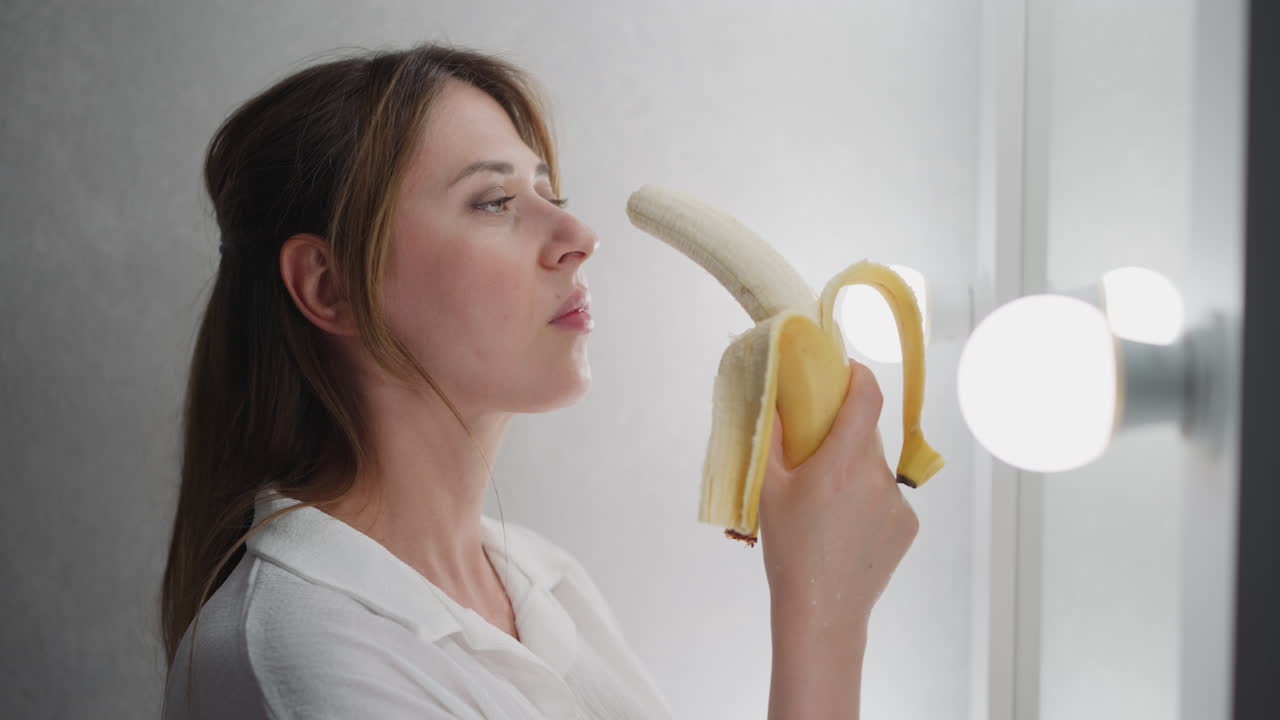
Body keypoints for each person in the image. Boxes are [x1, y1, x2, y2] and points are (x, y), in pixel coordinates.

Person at [159, 41, 919, 720]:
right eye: (493, 202)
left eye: (549, 195)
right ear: (330, 286)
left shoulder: (543, 584)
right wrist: (823, 617)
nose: (579, 238)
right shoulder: (307, 661)